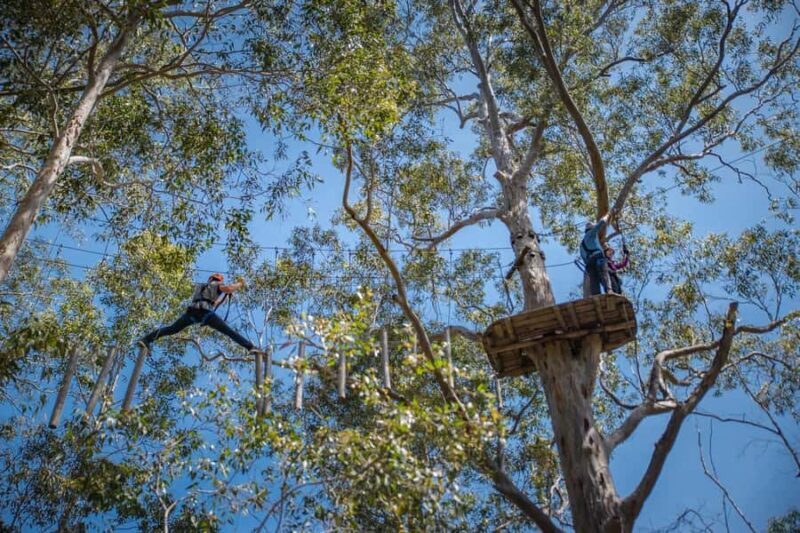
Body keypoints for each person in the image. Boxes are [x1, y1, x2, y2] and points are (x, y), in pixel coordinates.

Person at [139, 273, 257, 352]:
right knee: (228, 331)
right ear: (218, 280)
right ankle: (250, 347)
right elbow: (229, 288)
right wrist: (240, 283)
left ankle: (147, 339)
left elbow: (213, 303)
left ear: (210, 279)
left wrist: (224, 296)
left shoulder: (200, 287)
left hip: (192, 313)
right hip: (205, 313)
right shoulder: (217, 284)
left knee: (172, 329)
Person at [580, 212, 613, 295]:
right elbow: (601, 223)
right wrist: (607, 216)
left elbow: (583, 258)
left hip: (589, 263)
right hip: (598, 257)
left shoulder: (581, 245)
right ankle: (609, 291)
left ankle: (596, 295)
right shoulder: (592, 233)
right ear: (591, 228)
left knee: (594, 280)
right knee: (604, 273)